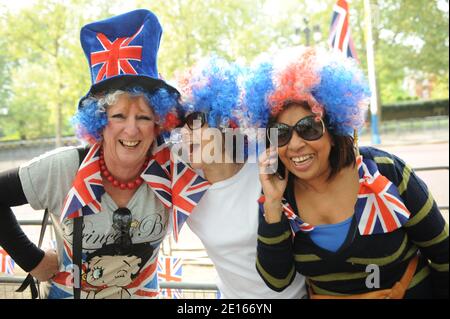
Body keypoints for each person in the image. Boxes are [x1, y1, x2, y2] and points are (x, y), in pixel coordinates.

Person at [0, 9, 207, 299]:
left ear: (159, 123)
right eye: (119, 116)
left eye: (145, 118)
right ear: (99, 121)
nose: (131, 130)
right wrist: (32, 260)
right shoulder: (64, 167)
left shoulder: (174, 169)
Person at [256, 47, 449, 299]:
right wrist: (271, 204)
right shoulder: (279, 194)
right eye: (281, 133)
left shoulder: (384, 171)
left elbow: (444, 255)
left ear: (335, 132)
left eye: (309, 128)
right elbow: (277, 280)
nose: (294, 145)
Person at [172, 56, 306, 299]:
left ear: (226, 123)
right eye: (180, 124)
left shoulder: (268, 171)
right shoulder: (183, 188)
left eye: (195, 121)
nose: (184, 133)